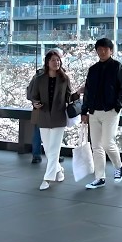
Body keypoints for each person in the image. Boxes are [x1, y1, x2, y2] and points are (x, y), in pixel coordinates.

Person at [26, 49, 78, 190]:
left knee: (54, 149)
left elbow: (68, 98)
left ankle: (47, 178)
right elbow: (32, 95)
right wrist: (35, 103)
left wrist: (78, 93)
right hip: (43, 116)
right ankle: (59, 170)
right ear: (47, 62)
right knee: (49, 149)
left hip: (58, 117)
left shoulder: (64, 78)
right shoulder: (39, 78)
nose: (56, 62)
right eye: (53, 60)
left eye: (58, 60)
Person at [80, 38, 122, 189]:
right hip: (94, 112)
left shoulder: (117, 67)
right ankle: (99, 177)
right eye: (99, 49)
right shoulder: (93, 69)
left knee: (107, 143)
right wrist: (84, 111)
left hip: (110, 111)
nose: (102, 52)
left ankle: (118, 165)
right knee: (96, 146)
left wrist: (117, 106)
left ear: (111, 50)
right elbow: (88, 92)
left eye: (105, 49)